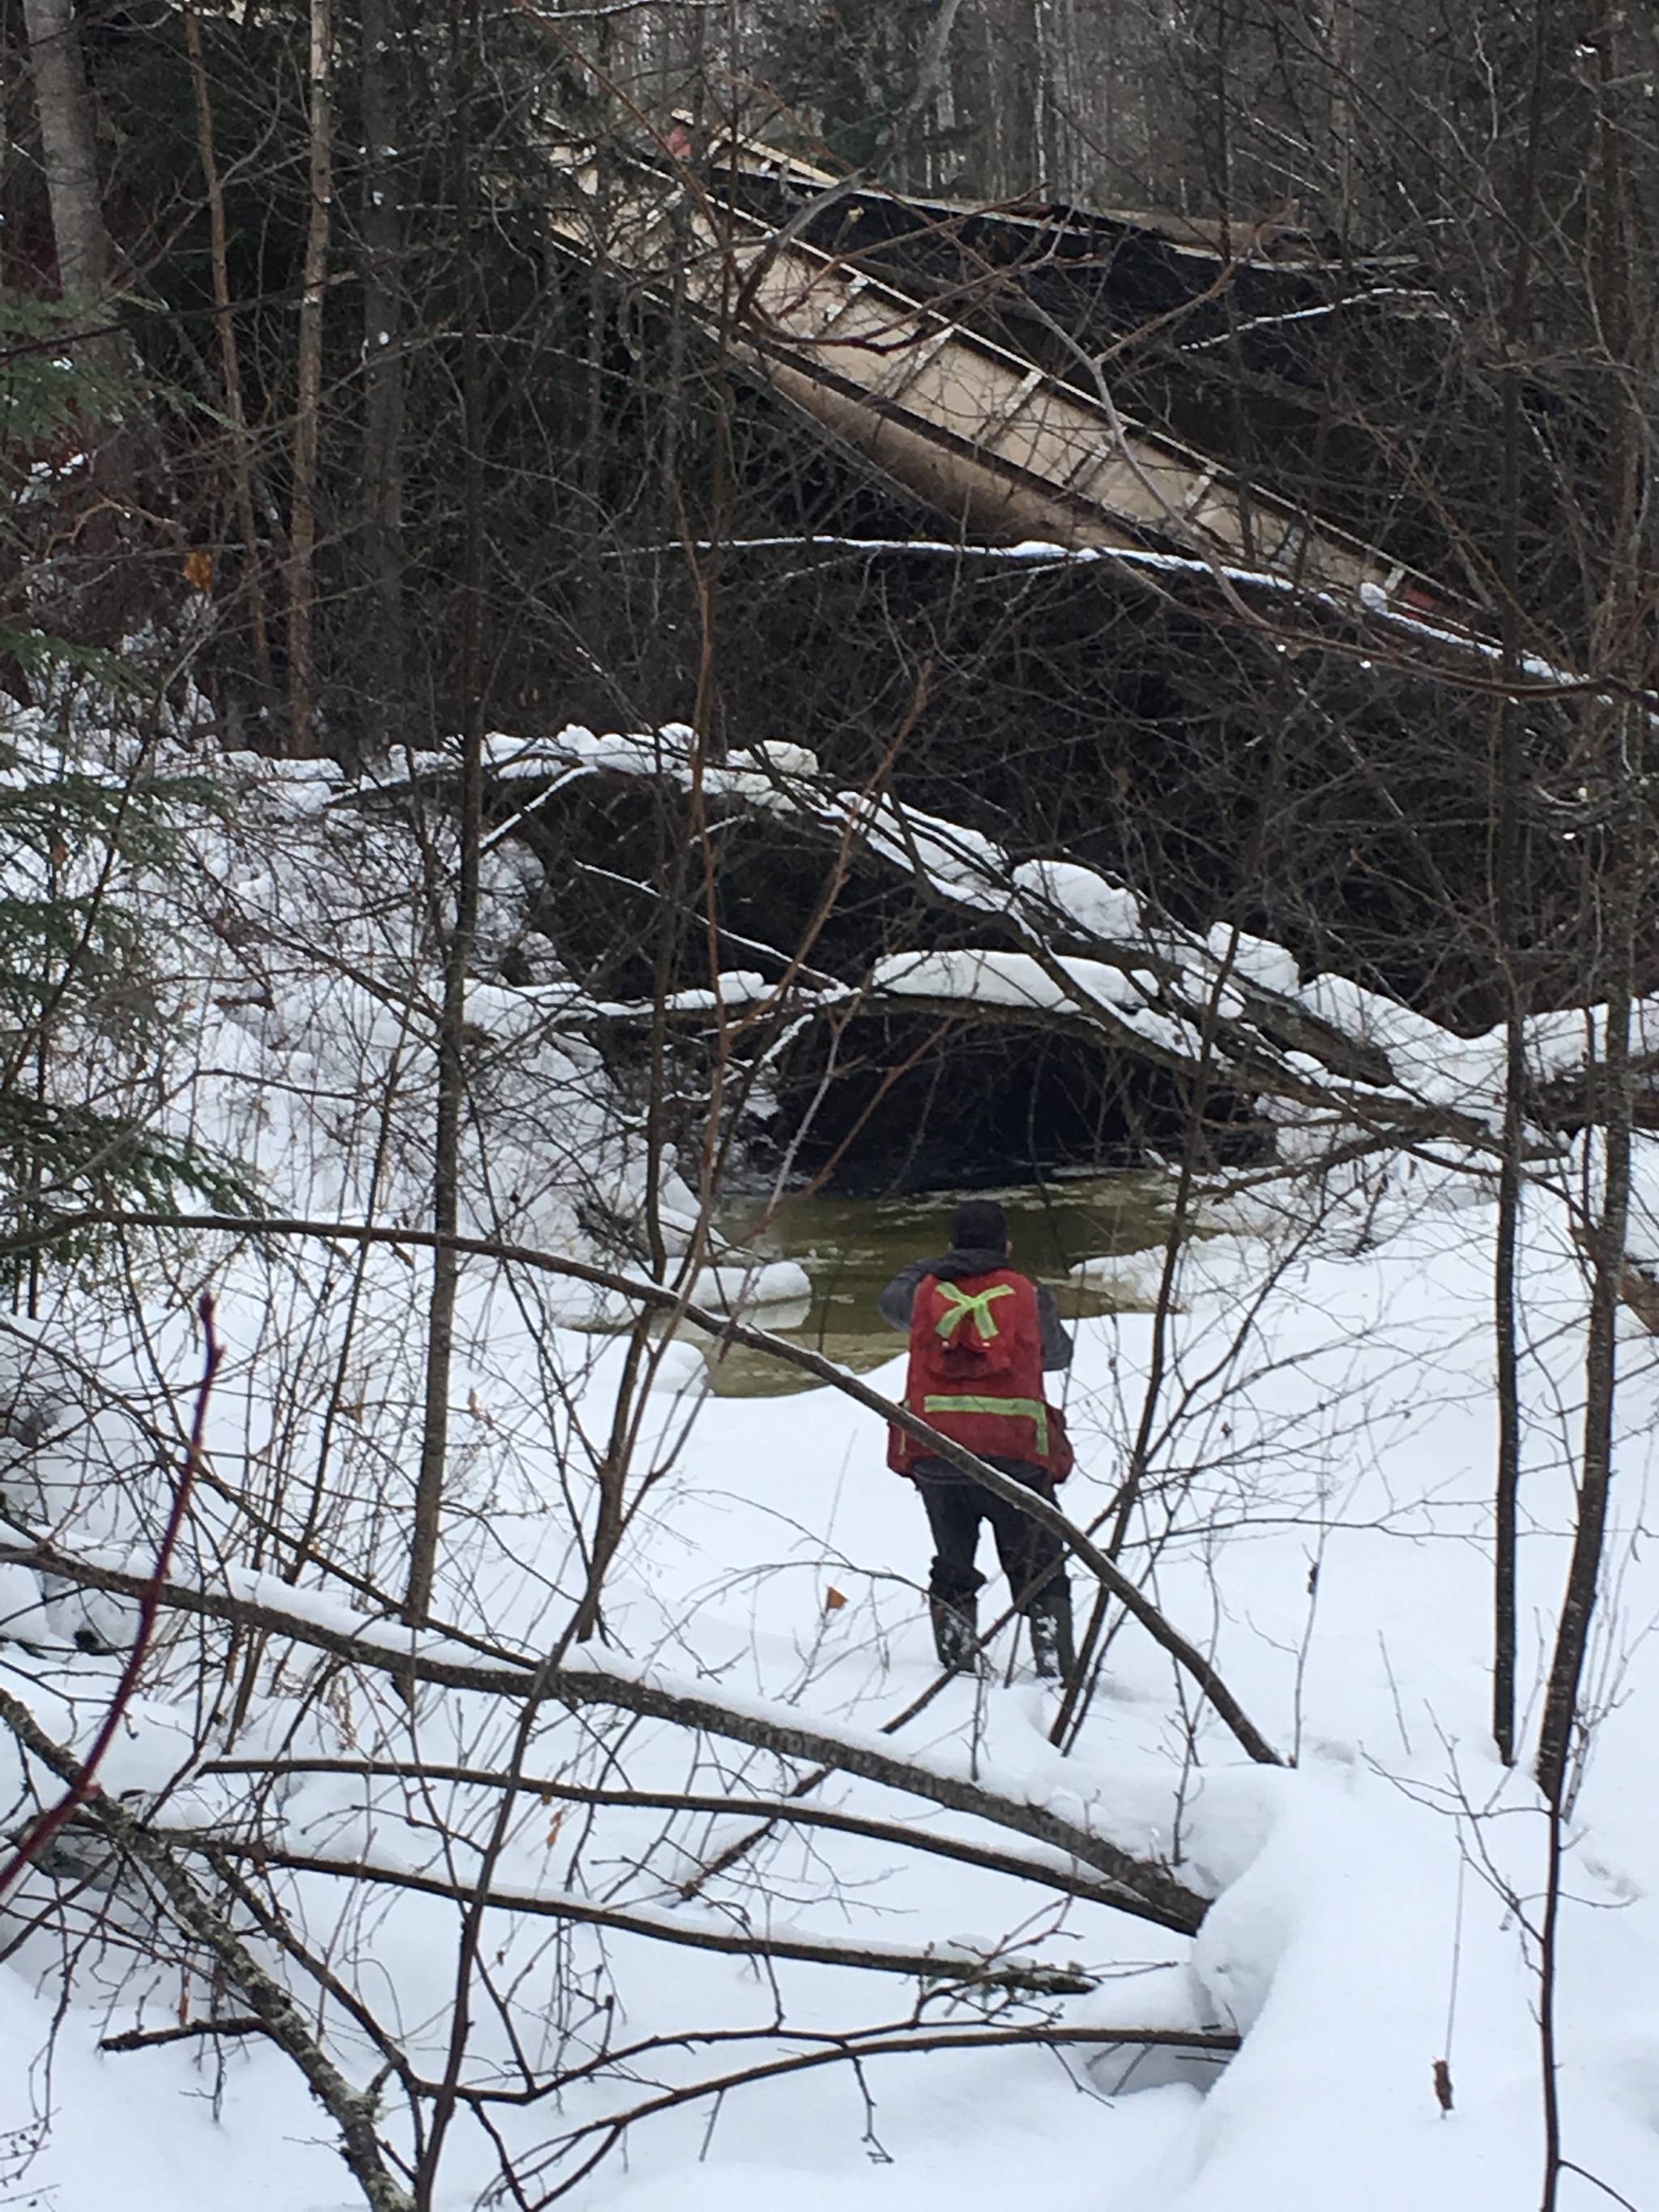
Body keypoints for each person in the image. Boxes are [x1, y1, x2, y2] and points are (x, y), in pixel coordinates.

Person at [878, 1198, 1075, 1682]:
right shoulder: (1028, 1294)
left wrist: (936, 1267)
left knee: (952, 1560)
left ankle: (958, 1664)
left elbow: (890, 1301)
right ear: (1006, 1245)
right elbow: (1058, 1355)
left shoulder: (923, 1293)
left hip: (936, 1455)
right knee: (1039, 1564)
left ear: (952, 1245)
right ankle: (1053, 1668)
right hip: (1016, 1457)